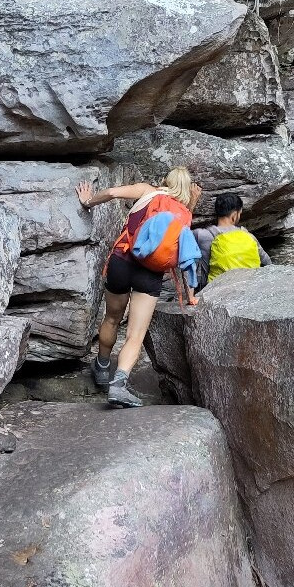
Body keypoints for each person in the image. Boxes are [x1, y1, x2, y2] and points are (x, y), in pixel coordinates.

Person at [76, 167, 201, 408]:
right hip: (150, 273)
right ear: (187, 190)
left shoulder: (148, 192)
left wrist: (87, 202)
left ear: (166, 181)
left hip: (122, 260)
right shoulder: (184, 212)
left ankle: (102, 367)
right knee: (135, 334)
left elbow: (112, 192)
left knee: (112, 318)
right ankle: (118, 386)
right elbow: (179, 244)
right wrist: (192, 204)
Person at [194, 193, 271, 291]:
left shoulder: (201, 235)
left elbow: (181, 232)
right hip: (249, 290)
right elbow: (268, 263)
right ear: (234, 215)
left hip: (215, 292)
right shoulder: (249, 237)